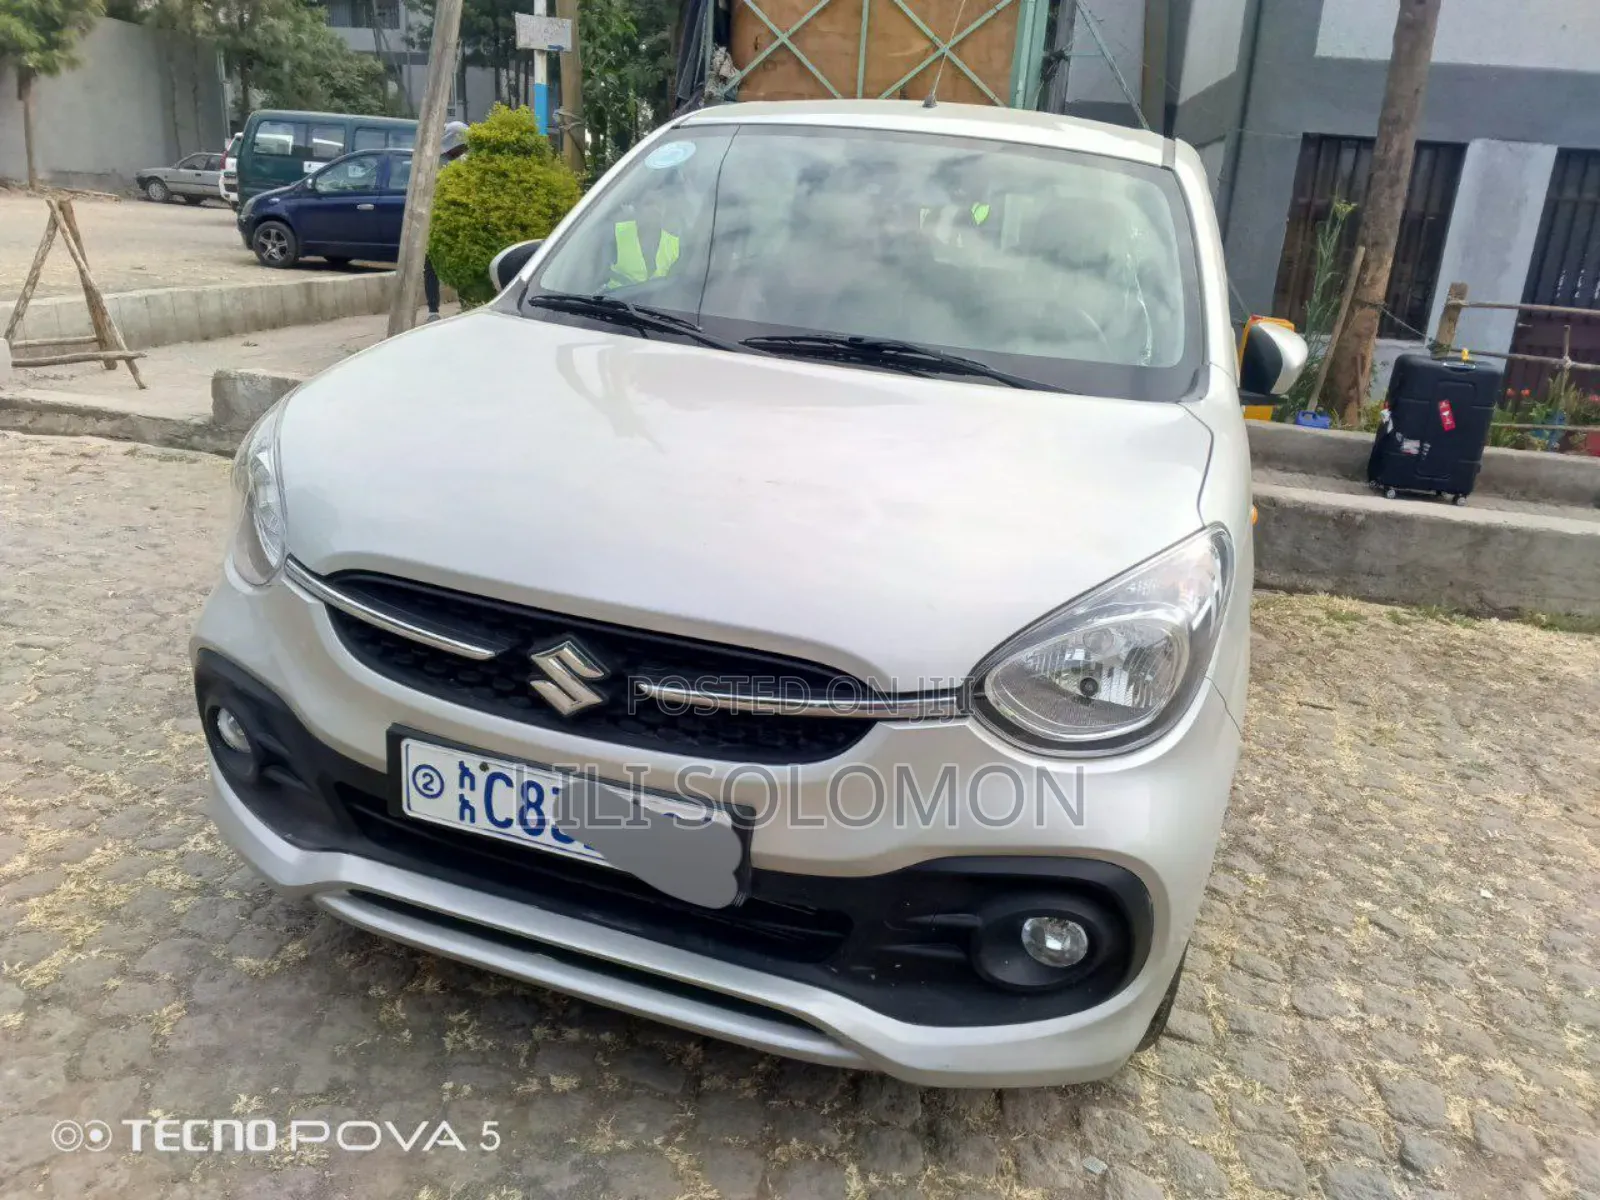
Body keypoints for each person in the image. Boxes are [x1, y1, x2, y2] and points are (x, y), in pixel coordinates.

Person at [424, 121, 471, 322]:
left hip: (460, 222)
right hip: (437, 220)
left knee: (463, 264)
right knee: (431, 264)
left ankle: (466, 305)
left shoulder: (469, 161)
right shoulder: (439, 162)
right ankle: (433, 310)